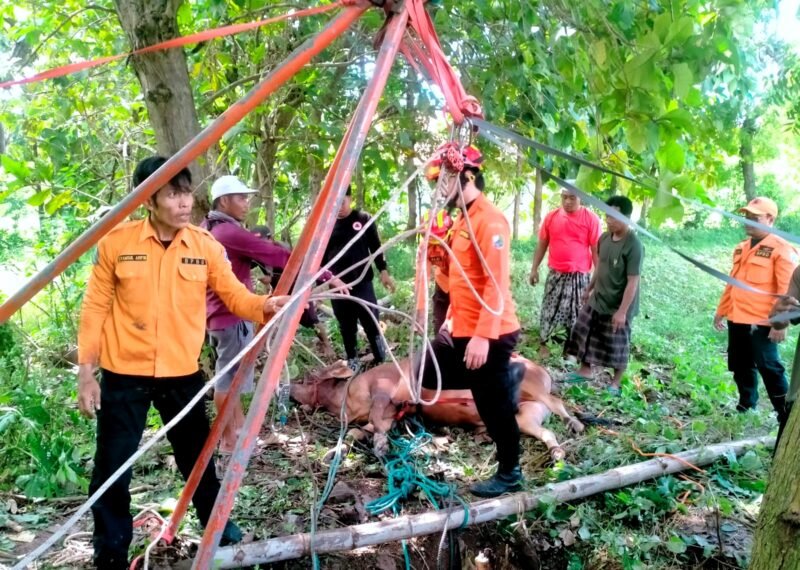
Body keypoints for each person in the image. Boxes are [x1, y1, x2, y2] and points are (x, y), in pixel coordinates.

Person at [76, 157, 287, 569]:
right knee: (112, 469)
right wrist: (87, 373)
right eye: (172, 194)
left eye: (186, 192)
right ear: (147, 200)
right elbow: (95, 309)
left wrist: (265, 306)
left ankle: (217, 536)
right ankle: (110, 551)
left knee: (199, 463)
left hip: (182, 376)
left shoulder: (205, 245)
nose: (183, 202)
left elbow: (234, 296)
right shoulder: (118, 243)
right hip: (124, 376)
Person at [202, 176, 342, 453]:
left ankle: (240, 432)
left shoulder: (209, 229)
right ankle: (229, 441)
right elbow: (276, 254)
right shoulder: (228, 233)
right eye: (241, 198)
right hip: (231, 315)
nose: (246, 203)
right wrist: (326, 274)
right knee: (227, 381)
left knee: (232, 378)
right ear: (224, 200)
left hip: (222, 314)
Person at [421, 145, 523, 498]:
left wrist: (482, 337)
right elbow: (460, 282)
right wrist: (437, 259)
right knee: (436, 374)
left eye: (441, 183)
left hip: (492, 330)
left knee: (492, 406)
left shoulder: (489, 220)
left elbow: (495, 285)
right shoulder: (460, 220)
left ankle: (510, 472)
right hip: (462, 325)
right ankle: (508, 380)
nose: (437, 192)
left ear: (465, 176)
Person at [714, 197, 796, 422]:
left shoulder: (781, 249)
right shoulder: (741, 248)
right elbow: (732, 282)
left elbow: (788, 291)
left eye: (755, 218)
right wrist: (721, 310)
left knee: (770, 367)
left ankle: (784, 413)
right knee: (740, 365)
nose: (748, 221)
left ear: (770, 219)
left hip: (763, 323)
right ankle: (746, 406)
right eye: (747, 217)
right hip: (737, 318)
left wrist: (781, 323)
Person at [566, 195, 643, 394]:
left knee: (617, 343)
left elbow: (633, 281)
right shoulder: (604, 238)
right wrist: (589, 288)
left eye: (614, 217)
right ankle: (585, 370)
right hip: (599, 296)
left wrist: (622, 312)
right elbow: (600, 266)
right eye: (607, 216)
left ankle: (615, 383)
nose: (609, 221)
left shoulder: (634, 245)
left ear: (626, 217)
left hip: (619, 303)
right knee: (584, 329)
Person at [322, 185, 395, 373]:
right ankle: (353, 361)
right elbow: (320, 261)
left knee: (371, 320)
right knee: (346, 326)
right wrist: (326, 281)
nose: (339, 207)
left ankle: (381, 357)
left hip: (362, 283)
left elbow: (376, 247)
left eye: (343, 202)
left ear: (350, 198)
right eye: (335, 203)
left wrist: (383, 271)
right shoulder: (326, 226)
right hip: (338, 286)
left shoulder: (363, 219)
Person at [529, 187, 601, 354]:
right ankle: (545, 343)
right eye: (564, 198)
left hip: (580, 276)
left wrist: (598, 280)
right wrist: (534, 269)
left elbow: (596, 250)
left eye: (572, 198)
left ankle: (573, 350)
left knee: (577, 313)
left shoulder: (591, 219)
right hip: (556, 274)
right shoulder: (551, 217)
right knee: (550, 309)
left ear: (581, 198)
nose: (568, 202)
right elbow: (542, 245)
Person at [249, 224, 337, 359]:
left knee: (310, 319)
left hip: (296, 288)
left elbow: (297, 269)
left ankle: (326, 344)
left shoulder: (282, 250)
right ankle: (280, 351)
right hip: (279, 292)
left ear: (271, 238)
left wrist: (271, 278)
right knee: (279, 319)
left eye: (262, 242)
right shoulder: (257, 253)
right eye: (256, 243)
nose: (259, 246)